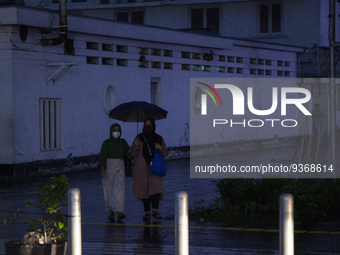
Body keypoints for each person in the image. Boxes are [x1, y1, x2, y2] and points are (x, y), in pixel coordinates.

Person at [130, 118, 169, 221]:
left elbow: (165, 153)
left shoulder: (158, 138)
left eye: (150, 124)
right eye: (146, 124)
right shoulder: (139, 138)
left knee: (155, 189)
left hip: (155, 167)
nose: (148, 126)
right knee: (144, 190)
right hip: (142, 169)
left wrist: (160, 147)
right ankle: (147, 212)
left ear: (153, 126)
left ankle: (155, 210)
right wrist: (135, 146)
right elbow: (133, 153)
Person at [98, 123, 132, 222]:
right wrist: (102, 168)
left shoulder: (123, 142)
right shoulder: (106, 143)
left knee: (119, 188)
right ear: (111, 131)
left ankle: (120, 211)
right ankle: (112, 211)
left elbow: (128, 154)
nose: (116, 132)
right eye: (114, 130)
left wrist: (132, 150)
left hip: (120, 167)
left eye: (118, 130)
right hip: (109, 167)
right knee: (109, 189)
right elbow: (103, 156)